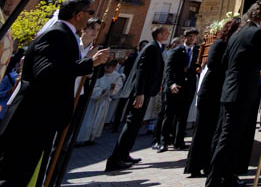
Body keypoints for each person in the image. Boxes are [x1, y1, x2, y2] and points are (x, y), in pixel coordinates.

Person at [0, 0, 110, 186]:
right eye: (90, 12)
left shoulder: (66, 35)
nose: (92, 17)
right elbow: (47, 72)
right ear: (78, 15)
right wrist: (89, 63)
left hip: (41, 119)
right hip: (32, 119)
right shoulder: (57, 34)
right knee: (15, 174)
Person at [206, 1, 261, 187]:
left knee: (228, 136)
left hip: (230, 90)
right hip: (242, 92)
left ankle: (227, 177)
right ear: (259, 16)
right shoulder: (257, 33)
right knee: (228, 138)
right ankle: (213, 181)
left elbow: (227, 60)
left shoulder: (237, 33)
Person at [185, 17, 241, 178]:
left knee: (211, 130)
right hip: (210, 92)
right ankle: (195, 166)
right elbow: (213, 63)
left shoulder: (227, 44)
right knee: (203, 130)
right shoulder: (219, 44)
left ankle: (206, 164)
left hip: (217, 92)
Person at [107, 24, 168, 171]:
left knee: (134, 124)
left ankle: (124, 154)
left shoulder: (156, 47)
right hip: (141, 93)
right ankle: (116, 159)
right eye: (166, 32)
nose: (168, 34)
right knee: (131, 123)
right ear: (159, 35)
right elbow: (141, 71)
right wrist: (139, 93)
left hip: (146, 91)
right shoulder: (152, 48)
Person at [158, 27, 200, 151]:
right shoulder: (176, 50)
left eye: (194, 36)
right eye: (190, 36)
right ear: (185, 38)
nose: (192, 38)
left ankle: (179, 140)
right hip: (175, 86)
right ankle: (163, 141)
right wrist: (171, 84)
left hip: (188, 87)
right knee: (169, 114)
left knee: (183, 115)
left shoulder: (197, 51)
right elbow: (169, 69)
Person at [77, 59, 124, 145]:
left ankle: (91, 138)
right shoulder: (99, 73)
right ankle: (82, 139)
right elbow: (93, 85)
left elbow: (116, 88)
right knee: (88, 120)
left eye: (112, 68)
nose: (109, 69)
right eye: (107, 67)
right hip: (93, 101)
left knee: (98, 121)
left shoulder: (116, 77)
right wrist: (100, 91)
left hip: (103, 102)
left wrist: (112, 89)